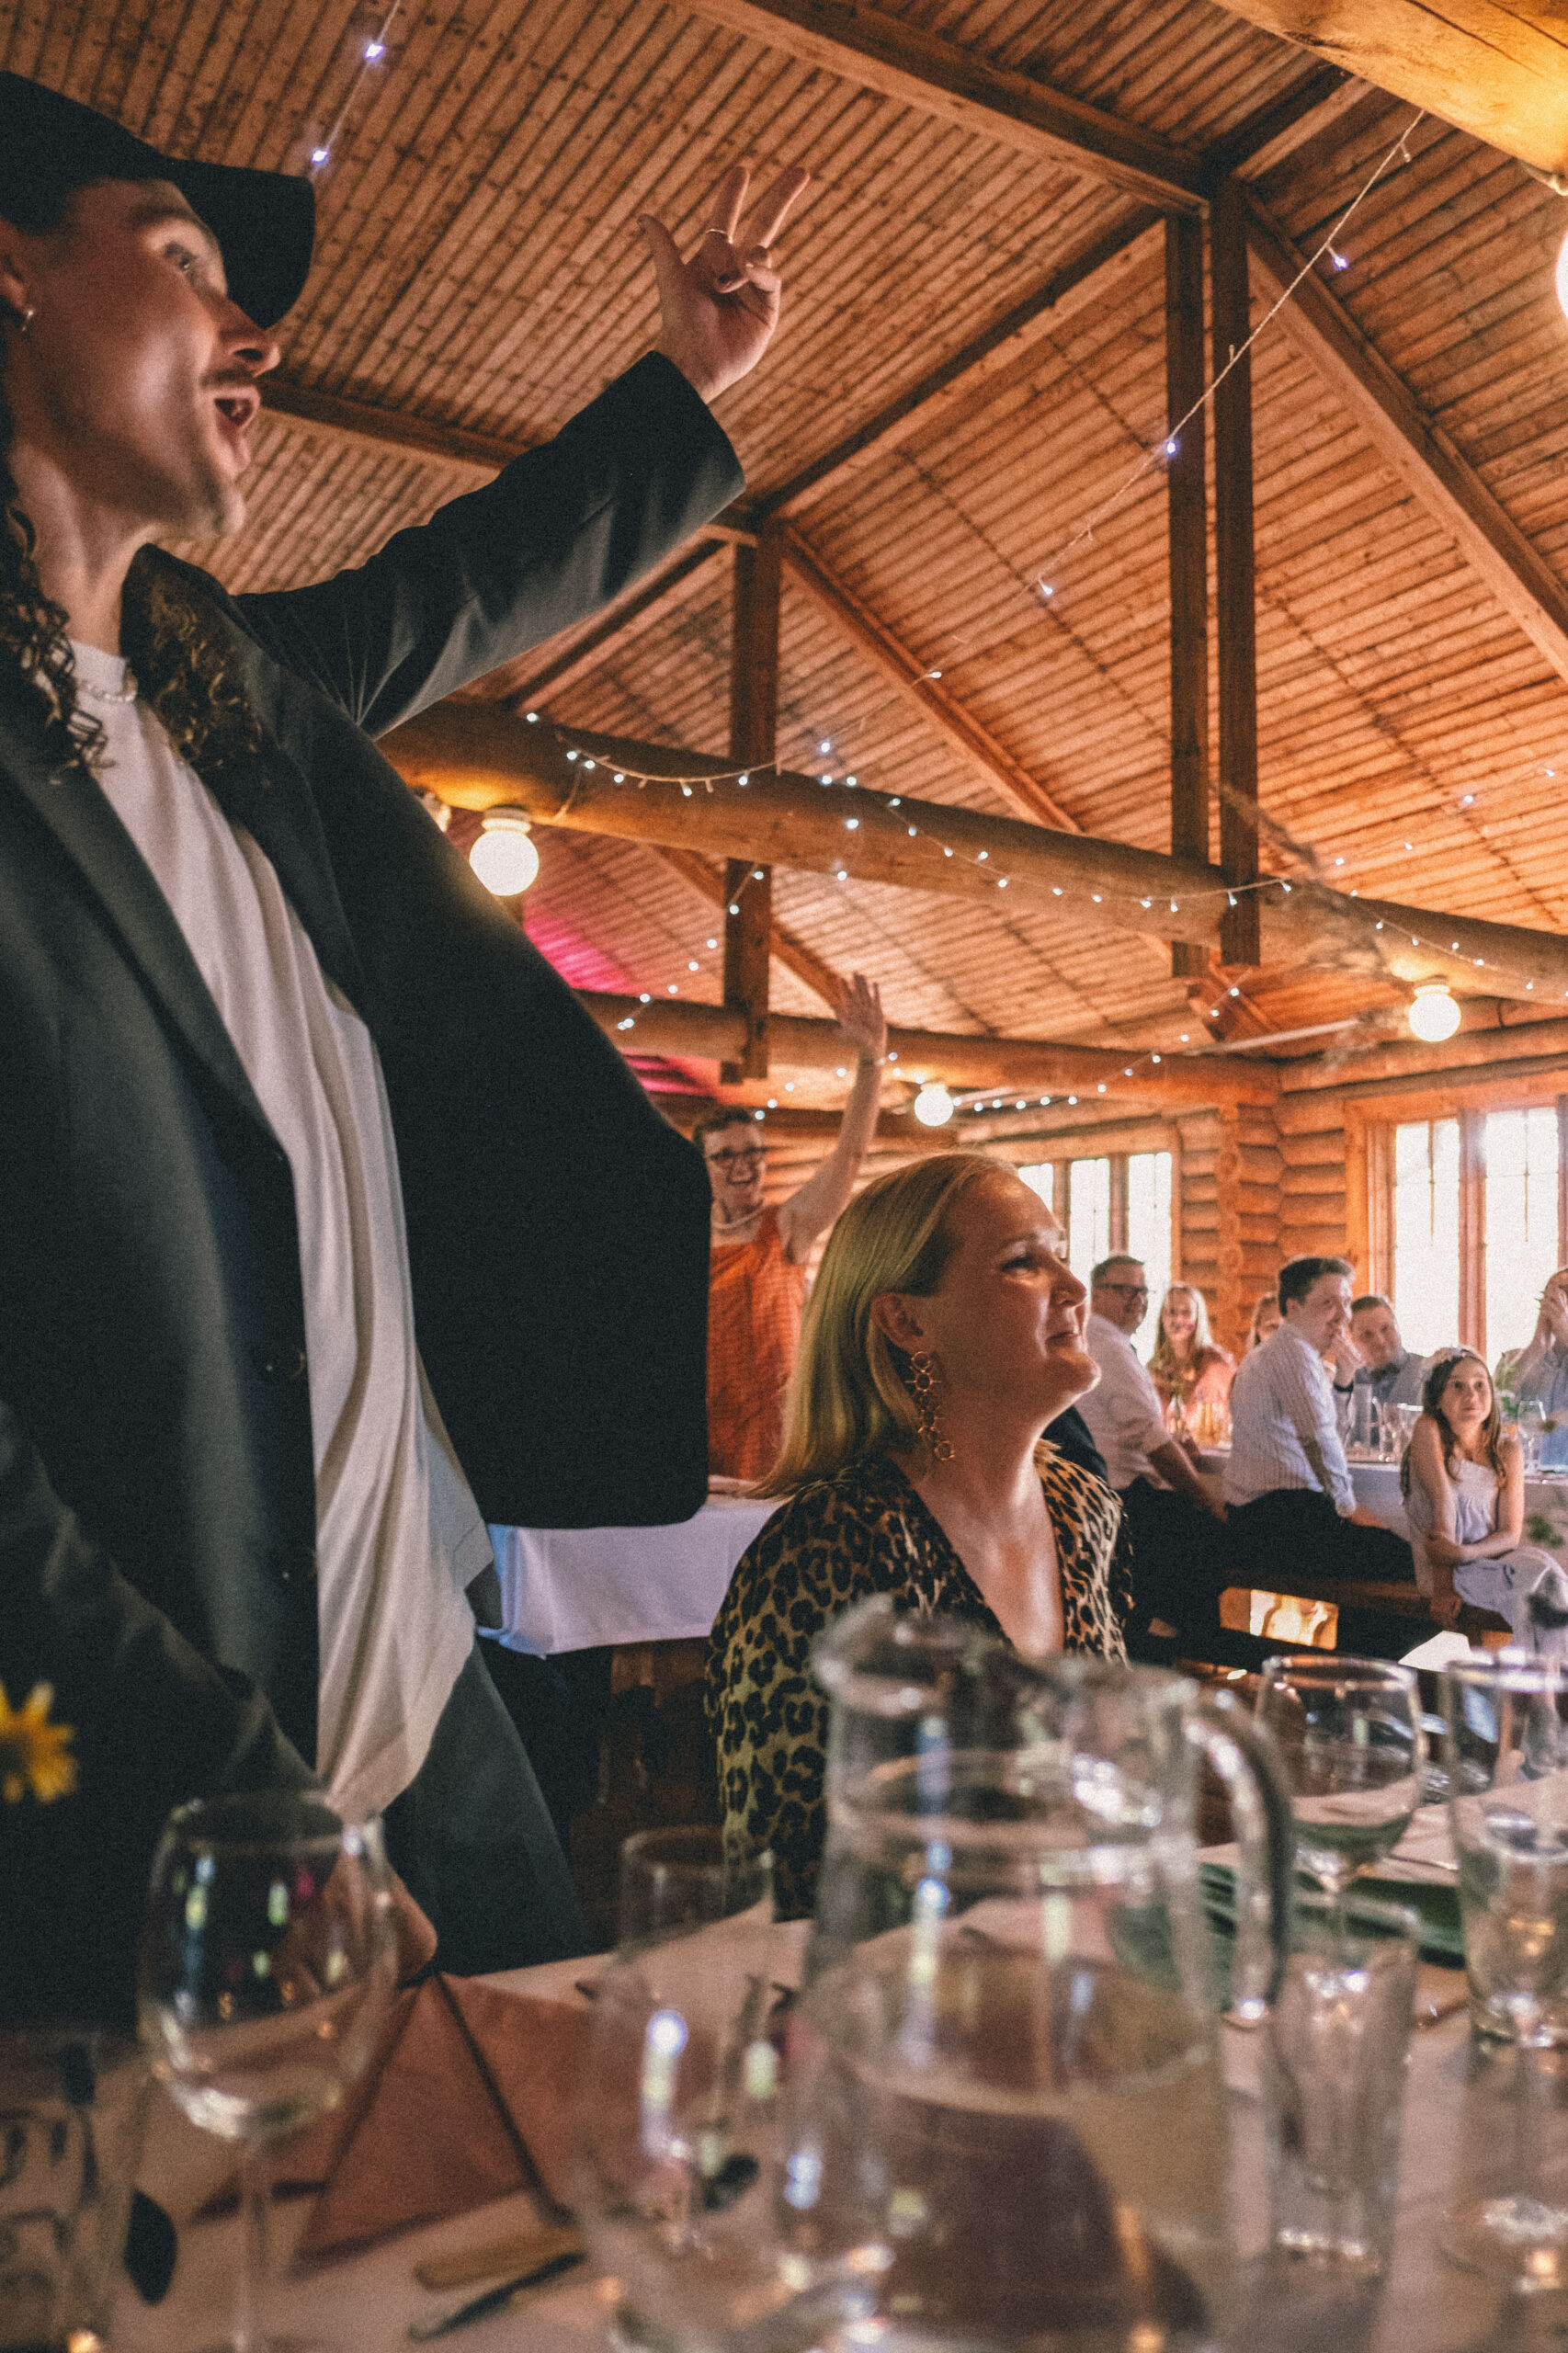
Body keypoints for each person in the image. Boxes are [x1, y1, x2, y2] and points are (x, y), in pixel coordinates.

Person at [0, 69, 808, 2018]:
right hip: (168, 1796)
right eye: (182, 259)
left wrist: (687, 389)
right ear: (12, 276)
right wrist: (201, 1781)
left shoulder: (232, 701)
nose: (254, 333)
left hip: (434, 1710)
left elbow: (463, 583)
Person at [706, 1153, 1132, 1915]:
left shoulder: (1082, 1507)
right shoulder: (829, 1547)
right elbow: (787, 1887)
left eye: (1061, 1254)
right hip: (907, 1972)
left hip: (1074, 1951)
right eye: (1022, 1263)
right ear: (907, 1322)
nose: (1074, 1289)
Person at [700, 973, 887, 1480]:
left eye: (752, 1152)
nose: (743, 1165)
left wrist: (871, 1062)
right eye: (725, 1156)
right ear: (703, 1165)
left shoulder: (786, 1227)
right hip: (703, 1430)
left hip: (776, 1432)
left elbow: (850, 1158)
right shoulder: (688, 1241)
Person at [1223, 1257, 1416, 1602]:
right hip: (1277, 1521)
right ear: (1293, 1307)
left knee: (1394, 1566)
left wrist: (1343, 1378)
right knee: (1415, 1564)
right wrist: (1349, 1509)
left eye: (1346, 1302)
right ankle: (1361, 1639)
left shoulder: (1291, 1353)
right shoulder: (1293, 1353)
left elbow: (1329, 1436)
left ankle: (1356, 1635)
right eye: (1329, 1303)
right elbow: (1318, 1440)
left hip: (1261, 1518)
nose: (1343, 1316)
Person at [1079, 1256, 1230, 1658]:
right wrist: (1204, 1496)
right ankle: (1181, 1648)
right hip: (1124, 1500)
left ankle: (1171, 1636)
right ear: (1096, 1294)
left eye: (1143, 1291)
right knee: (1215, 1533)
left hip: (1101, 1494)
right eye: (1124, 1290)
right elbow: (1152, 1442)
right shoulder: (1109, 1347)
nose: (1137, 1300)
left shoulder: (1095, 1340)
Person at [1402, 1350, 1568, 1652]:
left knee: (1548, 1575)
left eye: (1480, 1385)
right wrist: (1443, 1588)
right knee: (1535, 1588)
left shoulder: (1507, 1450)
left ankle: (1549, 1672)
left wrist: (1465, 1552)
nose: (1471, 1396)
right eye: (1457, 1386)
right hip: (1445, 1570)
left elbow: (1510, 1534)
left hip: (1485, 1558)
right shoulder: (1429, 1430)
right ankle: (1534, 1674)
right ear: (1437, 1398)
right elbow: (1443, 1503)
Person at [1496, 1267, 1568, 1471]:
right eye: (1551, 1298)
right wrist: (1537, 1346)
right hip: (1524, 1478)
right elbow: (1495, 1408)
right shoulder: (1513, 1360)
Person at [1148, 1281, 1235, 1419]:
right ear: (1162, 1318)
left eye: (1186, 1312)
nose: (1178, 1319)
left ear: (1197, 1319)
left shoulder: (1216, 1363)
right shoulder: (1154, 1368)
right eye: (1171, 1312)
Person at [1348, 1294, 1427, 1414]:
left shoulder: (1428, 1372)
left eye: (1385, 1329)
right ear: (1353, 1341)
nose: (1380, 1341)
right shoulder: (1347, 1384)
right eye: (1367, 1334)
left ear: (1397, 1326)